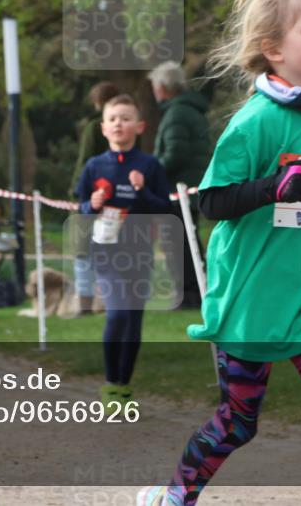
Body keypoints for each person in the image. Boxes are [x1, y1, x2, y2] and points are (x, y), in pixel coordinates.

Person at [138, 0, 301, 506]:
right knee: (237, 422)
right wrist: (274, 187)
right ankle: (175, 494)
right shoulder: (254, 123)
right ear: (275, 50)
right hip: (250, 293)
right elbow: (211, 202)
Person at [76, 94, 171, 407]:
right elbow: (81, 207)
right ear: (103, 128)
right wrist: (92, 205)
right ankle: (109, 384)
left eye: (126, 118)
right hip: (106, 253)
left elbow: (165, 209)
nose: (119, 124)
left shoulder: (149, 165)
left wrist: (143, 192)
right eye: (113, 118)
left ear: (139, 126)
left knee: (132, 320)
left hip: (140, 252)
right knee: (116, 314)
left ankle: (123, 386)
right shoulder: (94, 166)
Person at [149, 61, 211, 310]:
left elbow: (176, 153)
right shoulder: (189, 110)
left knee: (179, 244)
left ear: (163, 87)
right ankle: (193, 292)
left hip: (178, 190)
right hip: (190, 187)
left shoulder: (176, 113)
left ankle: (188, 295)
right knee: (187, 241)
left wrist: (152, 170)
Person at [71, 81, 120, 315]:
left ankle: (85, 304)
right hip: (118, 198)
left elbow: (85, 162)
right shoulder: (128, 126)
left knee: (84, 251)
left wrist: (78, 193)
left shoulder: (93, 128)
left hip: (94, 197)